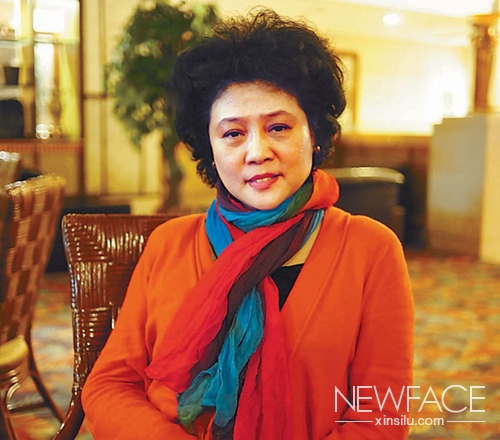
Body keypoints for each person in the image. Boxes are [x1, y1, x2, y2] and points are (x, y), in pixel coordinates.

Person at [82, 8, 414, 440]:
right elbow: (110, 385)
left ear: (314, 135)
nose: (257, 152)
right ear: (209, 148)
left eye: (278, 127)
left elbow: (381, 415)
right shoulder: (169, 245)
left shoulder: (369, 249)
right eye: (233, 134)